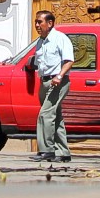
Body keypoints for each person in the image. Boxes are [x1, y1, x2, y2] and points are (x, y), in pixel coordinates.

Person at [30, 11, 75, 163]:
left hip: (58, 82)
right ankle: (63, 152)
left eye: (40, 22)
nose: (37, 25)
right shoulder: (40, 41)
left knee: (45, 115)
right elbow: (38, 63)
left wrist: (59, 76)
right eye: (36, 22)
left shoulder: (60, 38)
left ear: (50, 23)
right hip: (44, 81)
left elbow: (69, 61)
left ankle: (47, 150)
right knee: (55, 118)